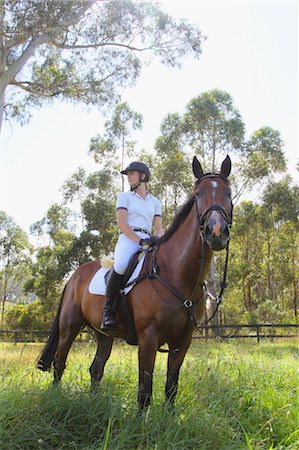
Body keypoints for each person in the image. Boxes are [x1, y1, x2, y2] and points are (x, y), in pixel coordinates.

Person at [100, 161, 163, 336]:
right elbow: (122, 224)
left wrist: (157, 238)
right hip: (129, 237)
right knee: (120, 265)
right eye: (127, 174)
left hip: (149, 239)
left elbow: (158, 228)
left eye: (131, 174)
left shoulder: (155, 202)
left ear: (143, 176)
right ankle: (108, 311)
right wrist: (139, 241)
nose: (128, 177)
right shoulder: (124, 197)